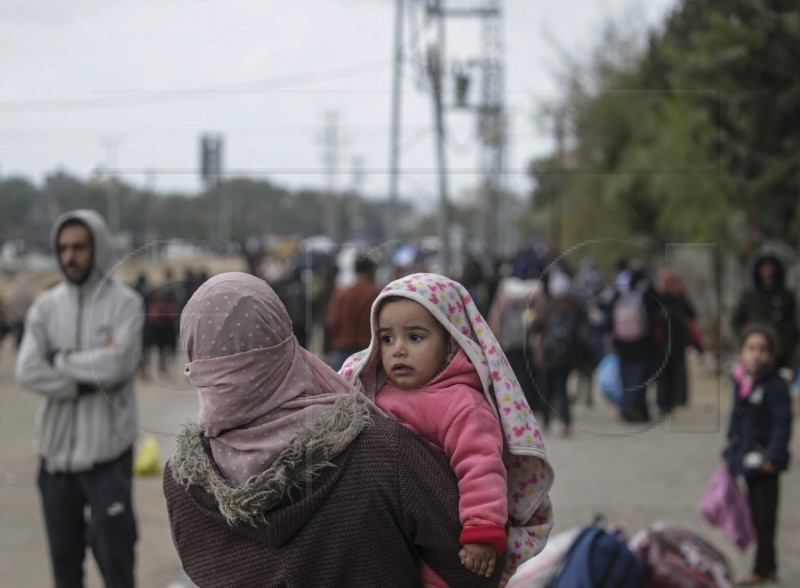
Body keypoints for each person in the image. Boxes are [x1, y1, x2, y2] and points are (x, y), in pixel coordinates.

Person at [162, 272, 505, 588]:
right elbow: (477, 570)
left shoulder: (182, 485)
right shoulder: (382, 452)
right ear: (284, 337)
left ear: (191, 355)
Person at [340, 273, 555, 586]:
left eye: (415, 337)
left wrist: (481, 532)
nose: (398, 349)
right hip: (388, 525)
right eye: (387, 338)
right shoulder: (375, 391)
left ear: (451, 341)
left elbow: (481, 469)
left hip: (445, 531)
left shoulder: (462, 404)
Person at [15, 209, 143, 588]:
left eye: (79, 247)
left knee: (117, 564)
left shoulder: (126, 304)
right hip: (54, 462)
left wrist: (58, 359)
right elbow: (27, 370)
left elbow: (119, 364)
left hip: (108, 458)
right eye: (64, 248)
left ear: (98, 248)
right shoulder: (45, 307)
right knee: (64, 569)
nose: (70, 256)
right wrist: (84, 381)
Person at [723, 324, 792, 586]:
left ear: (771, 355)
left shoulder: (775, 386)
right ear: (741, 352)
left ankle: (761, 569)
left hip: (766, 464)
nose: (756, 355)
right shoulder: (742, 382)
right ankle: (770, 565)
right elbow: (736, 421)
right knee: (754, 515)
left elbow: (782, 424)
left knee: (765, 518)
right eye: (751, 348)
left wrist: (773, 455)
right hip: (747, 461)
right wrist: (729, 450)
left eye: (763, 350)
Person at [731, 251, 799, 372]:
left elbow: (794, 324)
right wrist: (744, 342)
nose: (767, 270)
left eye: (770, 266)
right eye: (764, 267)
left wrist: (790, 347)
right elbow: (736, 322)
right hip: (755, 354)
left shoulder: (787, 296)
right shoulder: (749, 295)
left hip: (782, 355)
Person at [325, 255, 381, 370]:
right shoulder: (377, 293)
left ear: (355, 271)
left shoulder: (342, 293)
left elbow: (333, 322)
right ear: (371, 271)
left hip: (344, 349)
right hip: (369, 348)